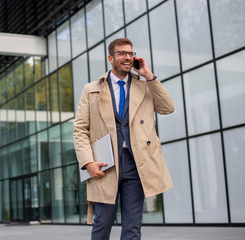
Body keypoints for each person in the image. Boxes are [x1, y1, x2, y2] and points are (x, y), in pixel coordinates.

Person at [73, 38, 174, 240]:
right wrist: (88, 162)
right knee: (102, 223)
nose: (128, 57)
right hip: (105, 164)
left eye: (130, 53)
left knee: (132, 227)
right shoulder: (91, 89)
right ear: (111, 58)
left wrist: (148, 75)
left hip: (137, 163)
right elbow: (80, 129)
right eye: (122, 53)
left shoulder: (145, 86)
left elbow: (167, 108)